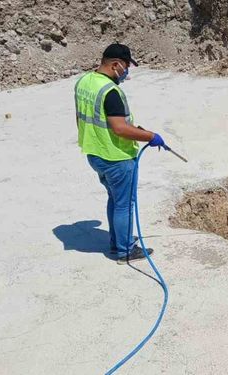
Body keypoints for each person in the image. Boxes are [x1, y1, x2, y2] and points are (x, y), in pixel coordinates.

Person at [74, 43, 167, 264]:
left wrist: (137, 131)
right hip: (116, 157)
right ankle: (125, 251)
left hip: (95, 153)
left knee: (115, 199)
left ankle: (118, 242)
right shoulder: (110, 92)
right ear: (115, 65)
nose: (126, 72)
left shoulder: (84, 82)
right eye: (126, 66)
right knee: (124, 203)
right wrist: (150, 136)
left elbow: (82, 118)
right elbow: (119, 128)